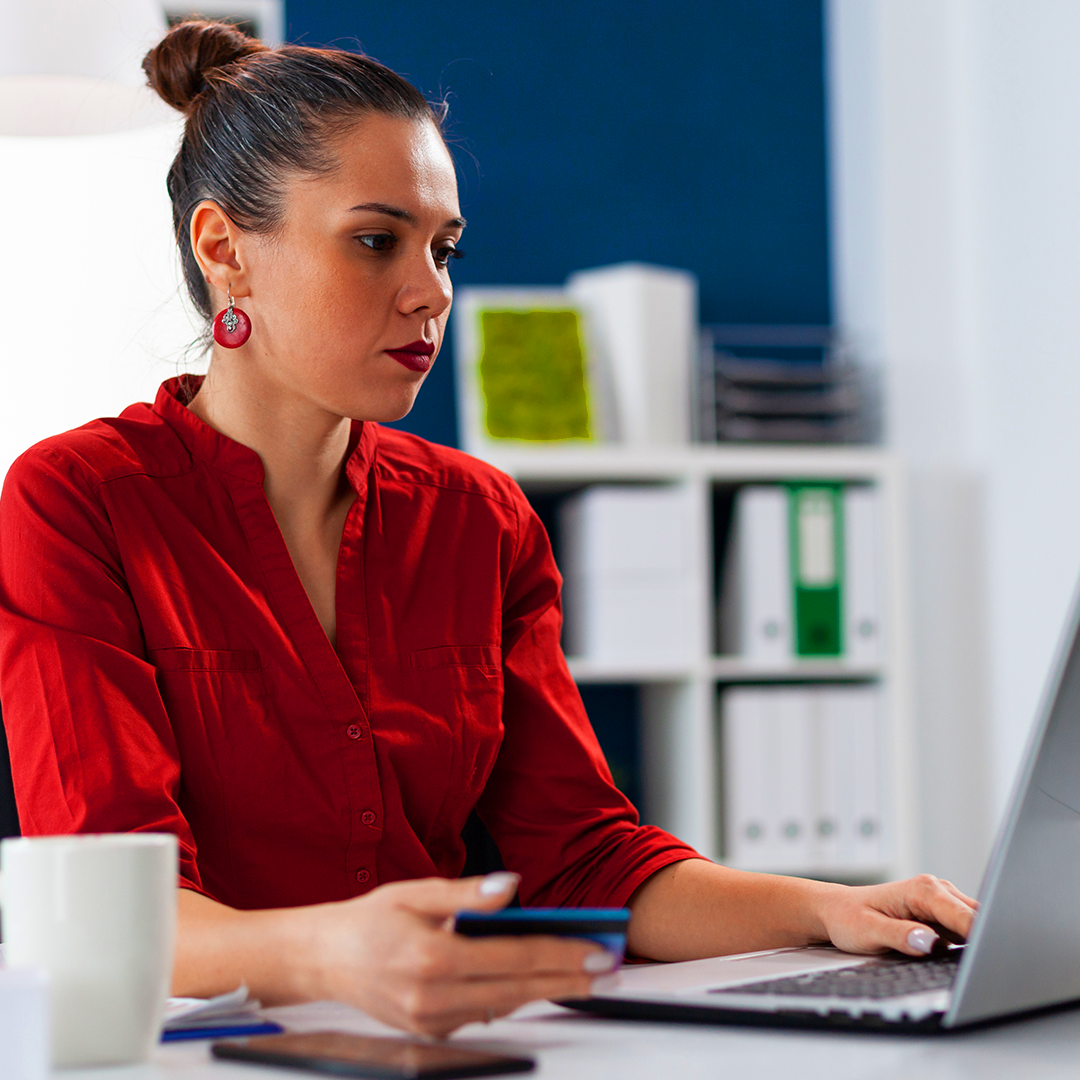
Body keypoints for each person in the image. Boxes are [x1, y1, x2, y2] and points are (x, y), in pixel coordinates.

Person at [0, 20, 976, 1038]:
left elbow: (586, 858)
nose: (432, 293)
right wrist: (329, 953)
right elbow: (110, 910)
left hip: (437, 1049)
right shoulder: (76, 502)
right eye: (377, 240)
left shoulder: (480, 518)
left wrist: (828, 908)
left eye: (443, 248)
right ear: (225, 253)